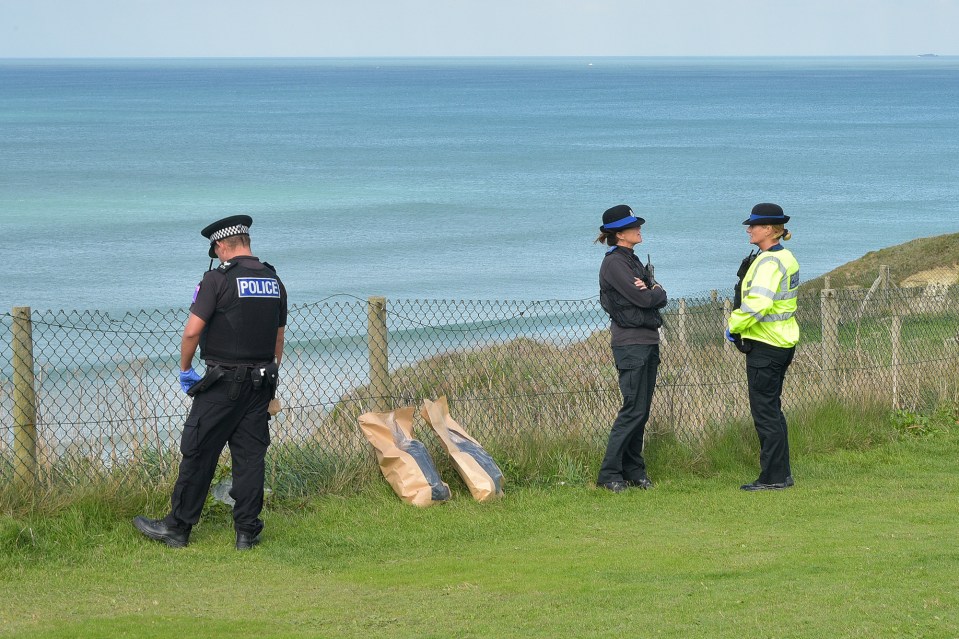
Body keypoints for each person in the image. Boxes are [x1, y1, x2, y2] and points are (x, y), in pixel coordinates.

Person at [134, 215, 287, 549]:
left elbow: (192, 331)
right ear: (246, 242)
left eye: (216, 250)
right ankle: (246, 533)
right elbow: (278, 341)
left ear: (221, 246)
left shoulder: (217, 280)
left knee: (198, 451)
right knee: (249, 459)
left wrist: (186, 369)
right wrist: (269, 380)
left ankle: (178, 528)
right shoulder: (274, 281)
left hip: (222, 385)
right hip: (261, 384)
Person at [726, 203, 799, 491]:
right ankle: (782, 472)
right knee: (773, 410)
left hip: (766, 343)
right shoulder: (785, 257)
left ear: (768, 229)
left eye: (754, 225)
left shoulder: (769, 263)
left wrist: (734, 326)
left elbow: (758, 303)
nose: (749, 229)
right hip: (783, 340)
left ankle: (773, 477)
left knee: (765, 412)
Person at [595, 204, 668, 492]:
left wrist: (652, 289)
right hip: (631, 343)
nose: (639, 228)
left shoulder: (632, 259)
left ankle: (633, 469)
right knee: (632, 409)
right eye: (633, 226)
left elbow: (655, 292)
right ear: (619, 234)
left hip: (647, 340)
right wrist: (653, 290)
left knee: (642, 409)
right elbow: (647, 299)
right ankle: (609, 473)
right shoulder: (614, 263)